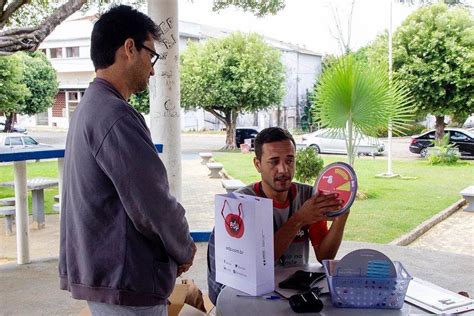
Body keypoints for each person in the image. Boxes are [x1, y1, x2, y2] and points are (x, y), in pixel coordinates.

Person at [59, 5, 196, 315]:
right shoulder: (116, 115)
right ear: (130, 48)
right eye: (152, 55)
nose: (152, 68)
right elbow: (153, 202)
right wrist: (183, 247)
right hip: (126, 281)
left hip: (107, 277)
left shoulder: (87, 108)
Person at [207, 127, 349, 304]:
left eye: (290, 160)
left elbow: (325, 256)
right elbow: (256, 265)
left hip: (293, 295)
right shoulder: (240, 204)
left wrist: (342, 216)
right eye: (273, 161)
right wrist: (299, 219)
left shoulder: (307, 196)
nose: (283, 169)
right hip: (250, 298)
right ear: (257, 164)